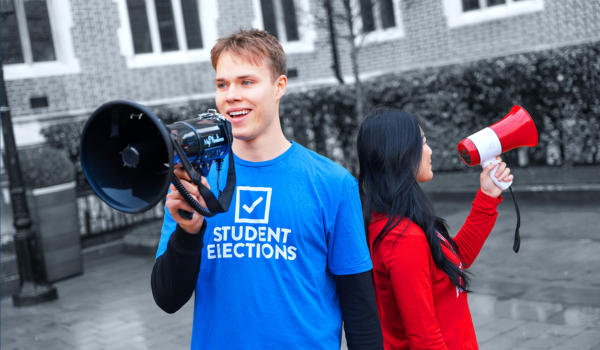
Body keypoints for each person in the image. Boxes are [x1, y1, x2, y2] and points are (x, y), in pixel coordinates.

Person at [151, 29, 383, 350]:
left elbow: (360, 309)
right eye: (222, 84)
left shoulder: (333, 183)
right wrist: (188, 234)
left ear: (279, 87)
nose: (231, 95)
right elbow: (167, 298)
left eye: (246, 82)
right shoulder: (194, 183)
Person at [357, 107, 513, 350]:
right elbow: (424, 339)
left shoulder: (398, 219)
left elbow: (455, 259)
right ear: (401, 153)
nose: (429, 151)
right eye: (423, 143)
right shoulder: (402, 238)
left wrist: (488, 195)